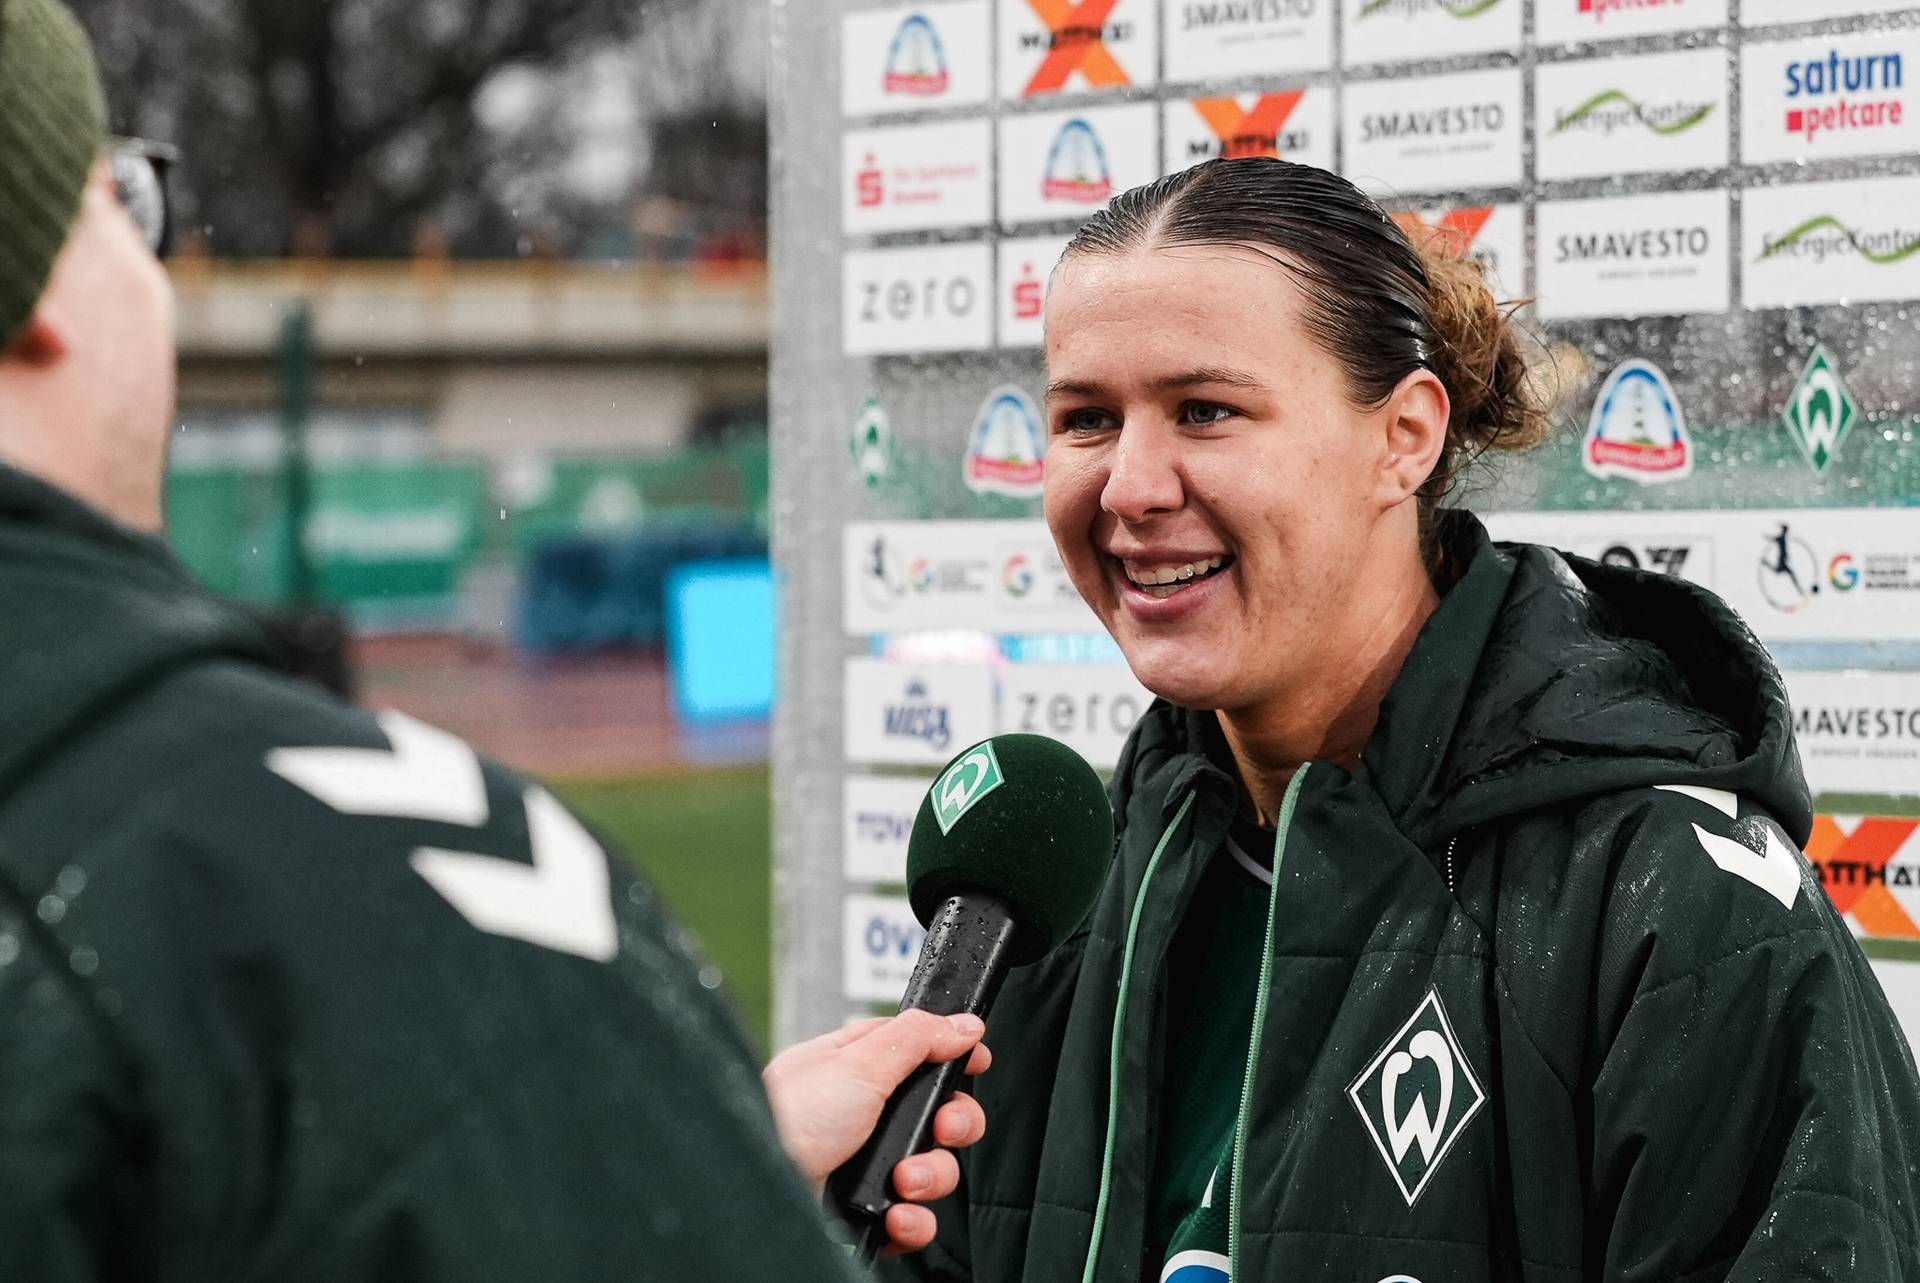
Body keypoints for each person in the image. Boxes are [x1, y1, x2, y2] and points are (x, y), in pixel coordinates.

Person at [0, 0, 983, 1275]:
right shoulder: (381, 886)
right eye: (123, 195)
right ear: (40, 281)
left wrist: (635, 1149)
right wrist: (628, 1151)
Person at [882, 156, 1920, 1282]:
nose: (1131, 484)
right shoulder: (1064, 897)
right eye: (1086, 418)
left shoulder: (1673, 904)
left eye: (1206, 409)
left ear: (1406, 436)